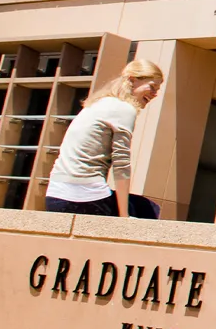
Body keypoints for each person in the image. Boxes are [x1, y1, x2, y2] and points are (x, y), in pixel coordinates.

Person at [45, 59, 164, 215]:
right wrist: (123, 216)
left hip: (55, 196)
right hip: (83, 199)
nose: (155, 94)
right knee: (147, 210)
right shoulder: (124, 109)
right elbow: (121, 166)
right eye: (152, 87)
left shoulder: (97, 104)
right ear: (132, 80)